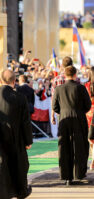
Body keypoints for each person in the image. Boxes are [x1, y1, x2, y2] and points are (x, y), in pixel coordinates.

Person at [52, 66, 91, 185]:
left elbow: (54, 107)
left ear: (64, 75)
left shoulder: (58, 89)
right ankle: (78, 174)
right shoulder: (81, 87)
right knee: (79, 146)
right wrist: (79, 111)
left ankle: (66, 175)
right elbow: (88, 105)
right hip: (78, 118)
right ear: (75, 74)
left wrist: (63, 111)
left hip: (64, 118)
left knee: (64, 146)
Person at [0, 69, 33, 198]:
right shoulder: (20, 98)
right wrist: (28, 141)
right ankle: (20, 191)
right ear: (15, 81)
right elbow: (26, 122)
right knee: (18, 164)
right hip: (16, 137)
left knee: (3, 165)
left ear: (1, 81)